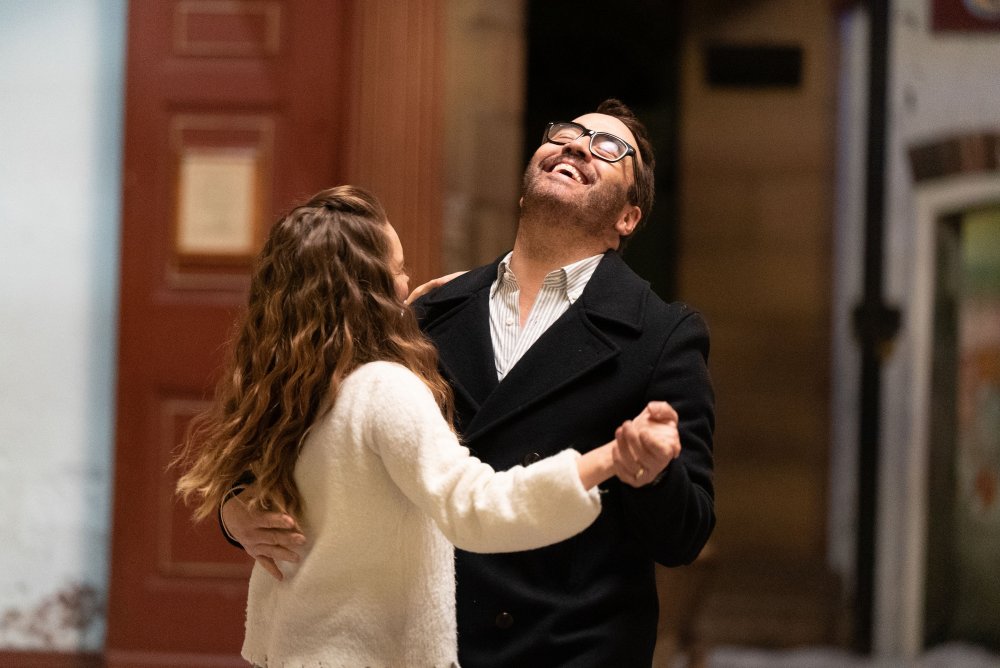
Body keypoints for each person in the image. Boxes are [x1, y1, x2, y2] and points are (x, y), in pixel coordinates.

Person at [224, 99, 715, 666]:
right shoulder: (428, 311)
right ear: (524, 189)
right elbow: (300, 417)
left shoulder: (661, 335)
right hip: (435, 645)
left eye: (608, 148)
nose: (577, 145)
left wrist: (649, 472)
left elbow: (685, 536)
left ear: (627, 218)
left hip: (569, 652)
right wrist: (237, 507)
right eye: (565, 134)